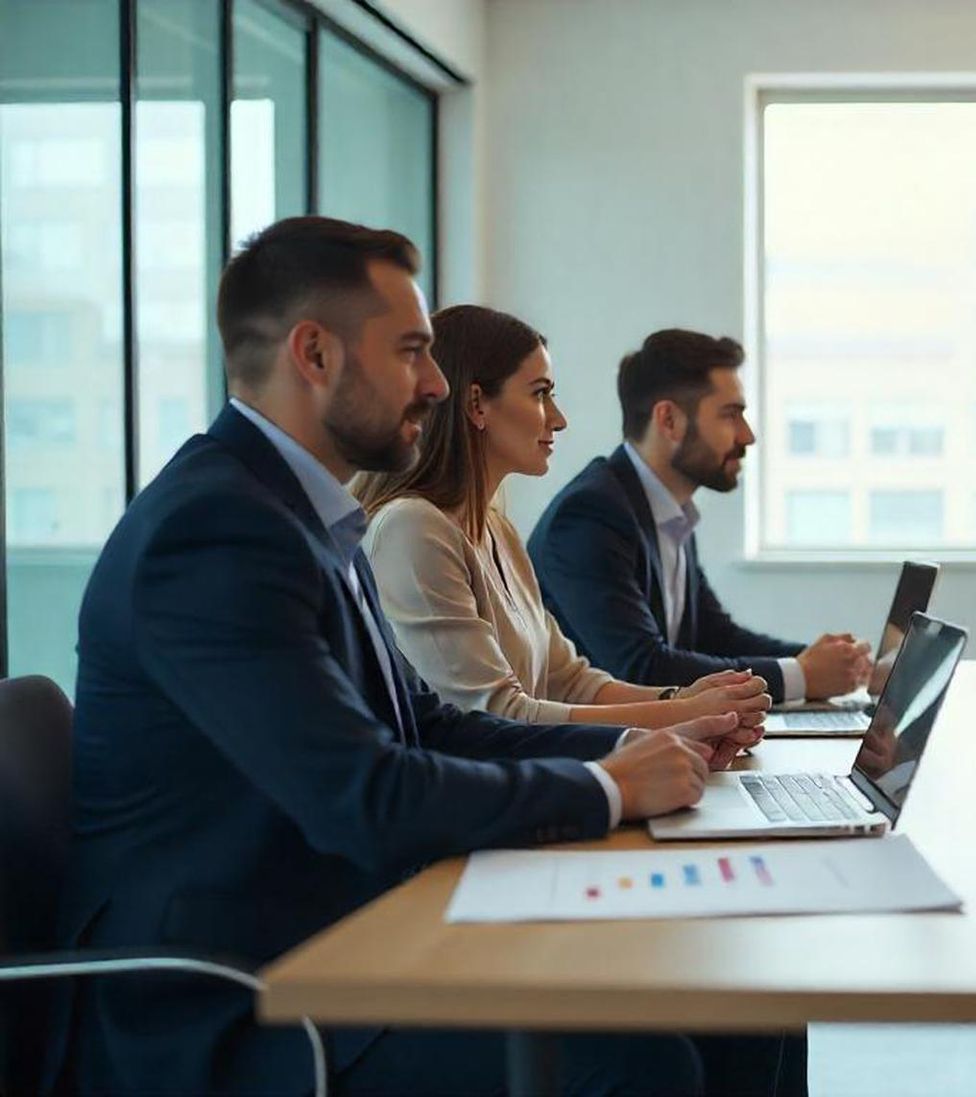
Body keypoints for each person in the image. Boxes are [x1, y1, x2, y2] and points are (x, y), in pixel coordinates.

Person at [52, 216, 758, 1095]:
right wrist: (612, 784)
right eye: (412, 351)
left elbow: (428, 723)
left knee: (735, 1007)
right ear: (315, 354)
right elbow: (366, 793)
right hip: (242, 995)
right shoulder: (215, 532)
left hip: (344, 929)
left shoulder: (303, 514)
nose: (433, 383)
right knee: (638, 1061)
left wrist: (637, 750)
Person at [354, 304, 772, 738]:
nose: (558, 418)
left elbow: (572, 682)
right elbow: (496, 714)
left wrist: (681, 700)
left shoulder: (498, 529)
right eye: (539, 393)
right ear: (477, 404)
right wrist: (686, 717)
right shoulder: (413, 529)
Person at [530, 329, 870, 705]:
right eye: (731, 415)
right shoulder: (590, 516)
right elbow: (641, 667)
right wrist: (800, 675)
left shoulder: (667, 511)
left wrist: (835, 666)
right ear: (669, 420)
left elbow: (715, 636)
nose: (748, 435)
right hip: (597, 754)